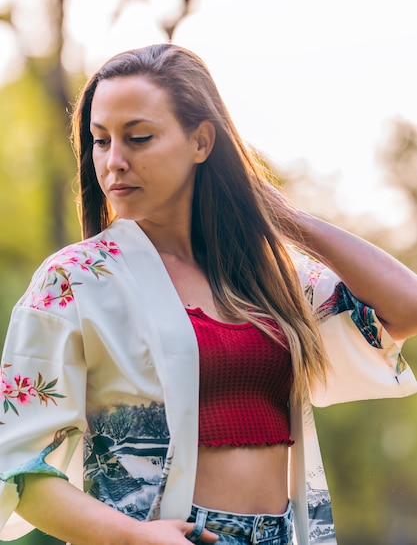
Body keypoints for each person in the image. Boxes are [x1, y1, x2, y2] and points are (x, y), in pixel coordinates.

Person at [1, 44, 417, 545]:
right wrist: (132, 539)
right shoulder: (74, 281)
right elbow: (18, 467)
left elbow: (405, 308)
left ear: (202, 142)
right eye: (99, 140)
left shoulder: (266, 276)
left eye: (138, 138)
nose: (113, 162)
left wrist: (275, 213)